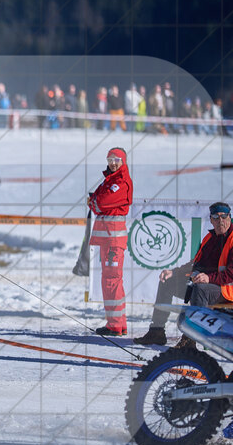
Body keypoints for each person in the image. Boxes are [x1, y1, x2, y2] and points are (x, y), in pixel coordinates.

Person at [134, 202, 233, 348]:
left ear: (230, 217)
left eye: (224, 216)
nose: (221, 221)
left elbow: (231, 273)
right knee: (167, 282)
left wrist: (208, 278)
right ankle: (157, 332)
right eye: (216, 218)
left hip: (226, 290)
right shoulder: (209, 238)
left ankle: (189, 340)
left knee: (200, 289)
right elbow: (195, 264)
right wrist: (174, 272)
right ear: (211, 220)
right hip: (206, 284)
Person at [89, 147, 133, 336]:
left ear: (123, 161)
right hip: (107, 238)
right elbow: (96, 200)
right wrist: (95, 202)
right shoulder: (110, 180)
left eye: (116, 159)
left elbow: (100, 202)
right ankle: (116, 324)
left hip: (114, 240)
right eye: (110, 159)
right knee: (109, 280)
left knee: (112, 281)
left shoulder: (121, 182)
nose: (112, 162)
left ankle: (115, 325)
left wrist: (95, 202)